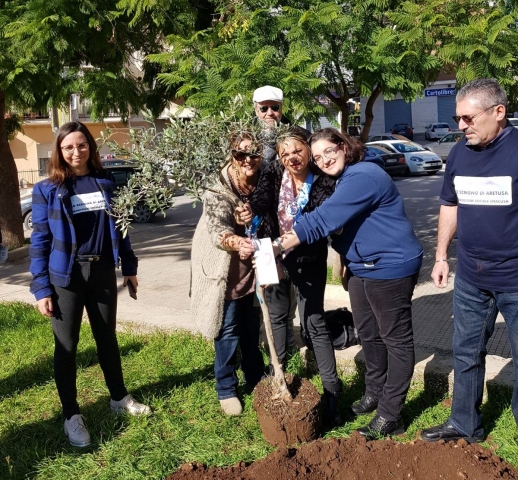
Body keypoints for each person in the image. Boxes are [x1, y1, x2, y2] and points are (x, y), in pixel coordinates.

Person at [267, 127, 423, 439]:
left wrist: (276, 247)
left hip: (390, 266)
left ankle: (391, 415)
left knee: (396, 341)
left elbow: (324, 219)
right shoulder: (341, 180)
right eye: (318, 156)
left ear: (344, 146)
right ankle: (374, 393)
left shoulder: (363, 175)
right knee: (368, 333)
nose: (324, 159)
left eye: (330, 151)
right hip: (361, 266)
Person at [29, 121, 150, 448]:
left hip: (101, 273)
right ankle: (72, 415)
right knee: (66, 347)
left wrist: (130, 266)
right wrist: (41, 288)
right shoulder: (47, 189)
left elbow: (122, 227)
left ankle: (118, 398)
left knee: (106, 337)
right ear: (59, 150)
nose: (75, 152)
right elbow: (39, 240)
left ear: (90, 148)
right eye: (68, 147)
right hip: (65, 278)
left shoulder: (105, 181)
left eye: (81, 145)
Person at [421, 78, 518, 443]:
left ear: (498, 112)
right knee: (466, 352)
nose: (460, 126)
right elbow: (450, 203)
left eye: (468, 118)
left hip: (515, 278)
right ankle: (464, 423)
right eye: (457, 118)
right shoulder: (460, 153)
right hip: (471, 278)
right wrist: (441, 255)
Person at [238, 129, 342, 425]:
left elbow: (321, 219)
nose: (291, 158)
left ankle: (332, 391)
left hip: (308, 259)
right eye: (285, 154)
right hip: (273, 256)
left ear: (308, 150)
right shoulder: (273, 174)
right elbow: (260, 203)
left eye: (296, 151)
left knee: (313, 323)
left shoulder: (322, 181)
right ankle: (278, 378)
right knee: (278, 318)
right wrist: (248, 212)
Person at [190, 129, 267, 416]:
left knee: (251, 324)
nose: (248, 159)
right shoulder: (218, 187)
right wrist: (236, 240)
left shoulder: (264, 177)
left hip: (254, 267)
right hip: (227, 267)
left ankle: (256, 376)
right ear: (231, 155)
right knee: (228, 327)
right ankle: (226, 387)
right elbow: (216, 229)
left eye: (254, 153)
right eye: (241, 153)